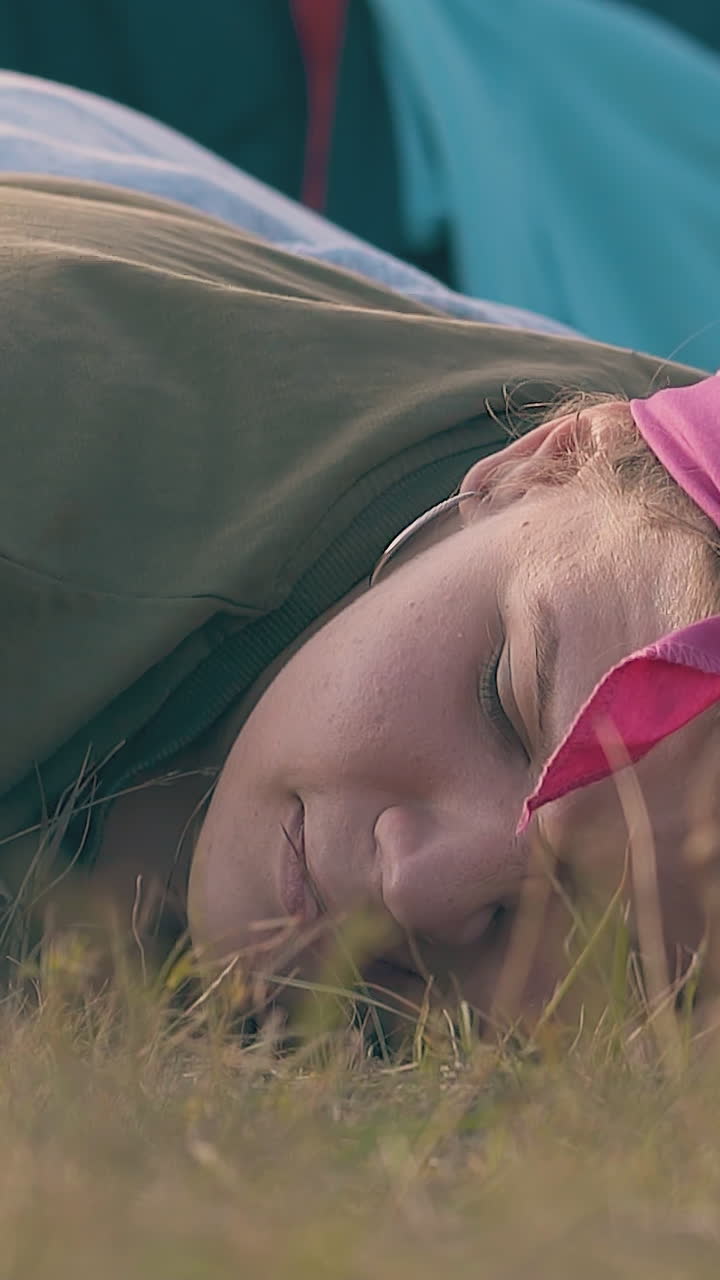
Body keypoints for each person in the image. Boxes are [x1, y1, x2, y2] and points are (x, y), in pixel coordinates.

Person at [0, 78, 717, 1031]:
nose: (418, 885)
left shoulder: (627, 534)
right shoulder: (44, 463)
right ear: (537, 458)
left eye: (602, 931)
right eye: (497, 697)